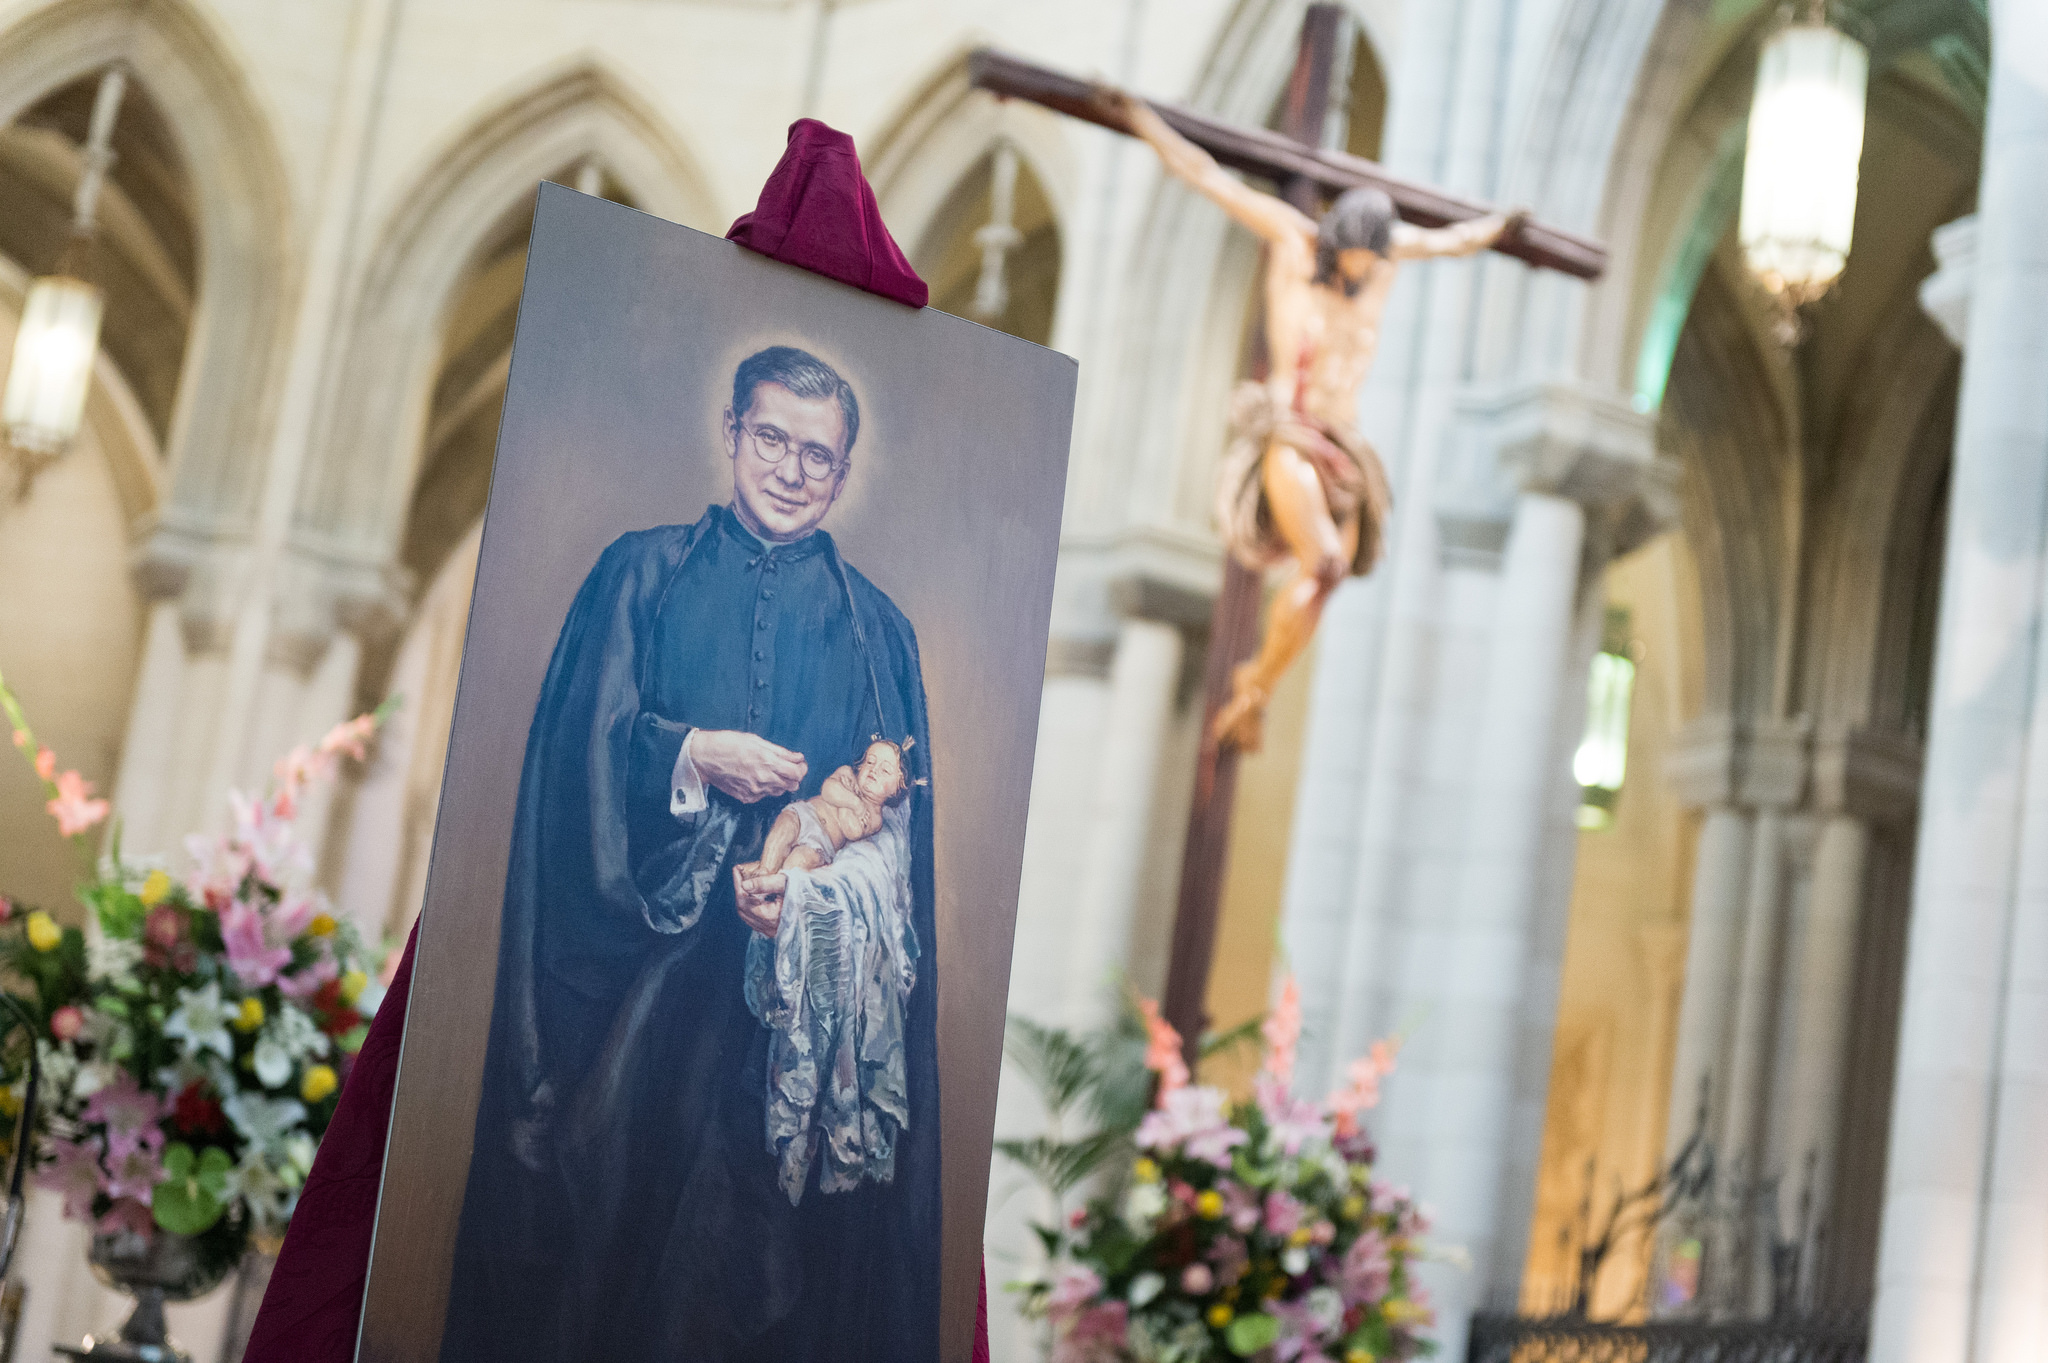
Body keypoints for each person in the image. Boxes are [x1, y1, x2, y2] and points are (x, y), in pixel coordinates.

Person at [441, 345, 939, 1362]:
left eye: (818, 456)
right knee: (601, 1236)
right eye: (772, 440)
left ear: (841, 474)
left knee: (737, 1272)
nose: (792, 471)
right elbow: (571, 753)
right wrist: (688, 753)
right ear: (729, 434)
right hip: (631, 985)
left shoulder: (877, 628)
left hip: (777, 1008)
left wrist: (807, 898)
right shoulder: (639, 570)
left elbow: (895, 837)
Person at [1097, 87, 1526, 751]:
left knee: (1328, 578)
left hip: (1343, 445)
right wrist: (1139, 117)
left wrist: (1499, 228)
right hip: (1293, 435)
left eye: (1376, 259)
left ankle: (1255, 686)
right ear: (1341, 242)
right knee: (1324, 562)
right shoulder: (1294, 248)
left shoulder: (1381, 263)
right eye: (1361, 257)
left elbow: (1450, 243)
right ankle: (1253, 690)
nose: (1368, 271)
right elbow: (1205, 175)